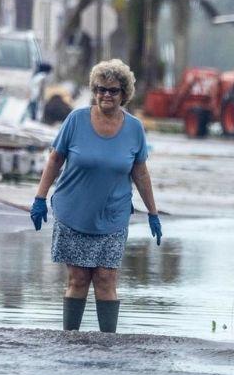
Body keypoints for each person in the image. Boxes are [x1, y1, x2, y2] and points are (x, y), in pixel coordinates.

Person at [29, 59, 162, 333]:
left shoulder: (135, 128)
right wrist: (40, 198)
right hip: (73, 211)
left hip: (113, 215)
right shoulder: (76, 120)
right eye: (101, 89)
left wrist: (153, 212)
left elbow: (141, 174)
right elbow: (55, 160)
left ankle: (108, 344)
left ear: (124, 94)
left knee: (105, 278)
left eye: (113, 90)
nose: (106, 95)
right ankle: (71, 339)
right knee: (78, 278)